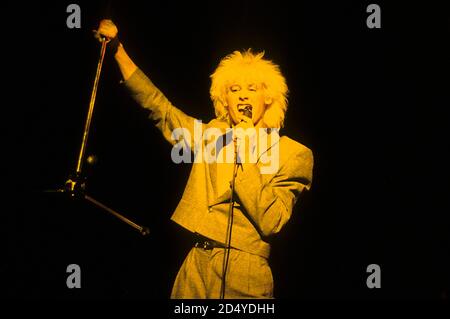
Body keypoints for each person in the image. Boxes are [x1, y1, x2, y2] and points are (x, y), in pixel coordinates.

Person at [96, 19, 313, 299]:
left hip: (245, 270)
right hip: (196, 265)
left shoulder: (293, 153)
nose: (242, 95)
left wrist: (245, 151)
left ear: (268, 97)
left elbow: (272, 220)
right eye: (234, 90)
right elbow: (161, 110)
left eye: (251, 88)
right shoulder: (214, 135)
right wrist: (118, 51)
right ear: (225, 99)